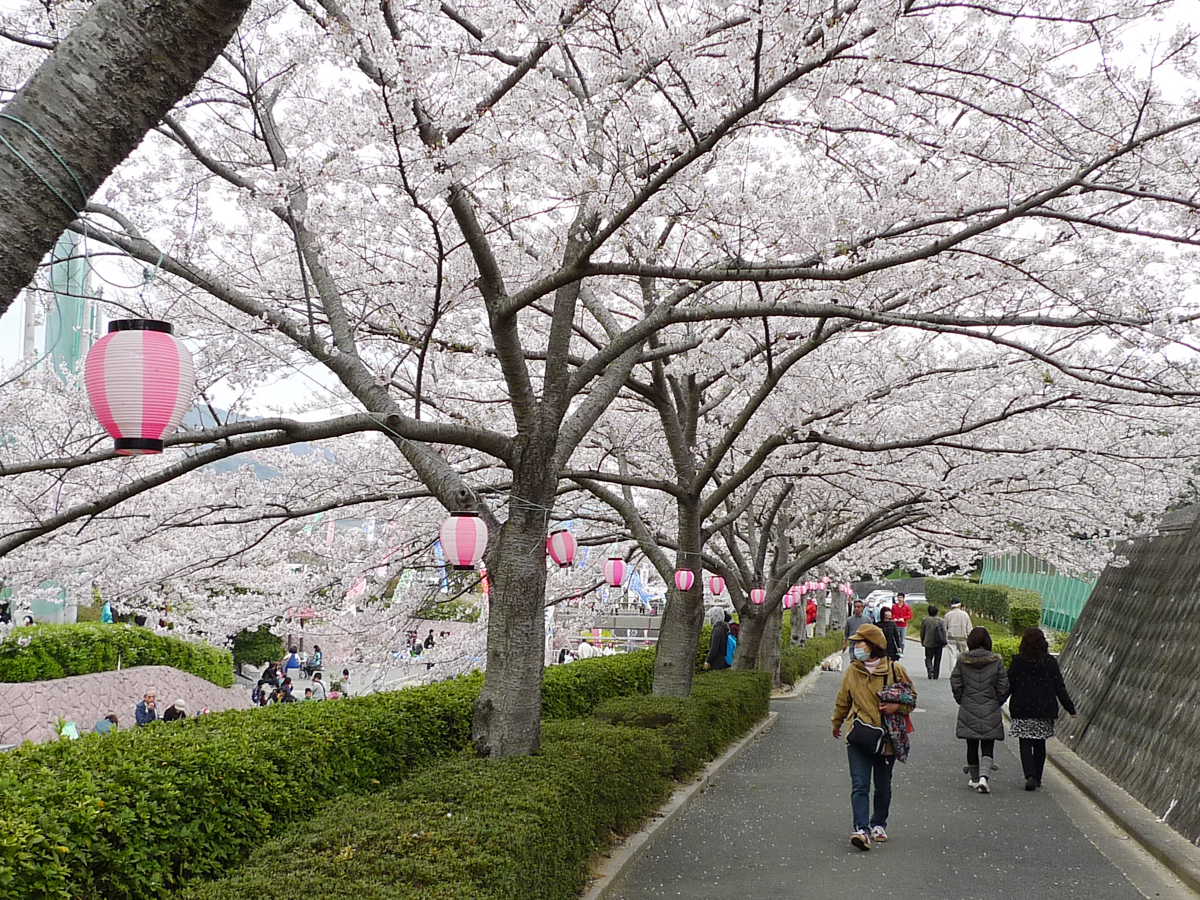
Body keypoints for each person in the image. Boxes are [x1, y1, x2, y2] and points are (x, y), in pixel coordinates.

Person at [831, 623, 916, 851]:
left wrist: (896, 707)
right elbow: (843, 700)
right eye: (856, 642)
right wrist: (836, 722)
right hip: (858, 735)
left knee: (883, 785)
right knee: (859, 784)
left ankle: (879, 823)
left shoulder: (894, 670)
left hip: (886, 738)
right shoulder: (852, 670)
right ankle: (861, 829)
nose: (856, 646)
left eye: (860, 642)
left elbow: (911, 698)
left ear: (873, 646)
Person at [1008, 627, 1077, 791]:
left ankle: (1030, 776)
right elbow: (1059, 687)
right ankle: (1037, 777)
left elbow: (1009, 685)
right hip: (1044, 708)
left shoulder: (1018, 661)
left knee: (1025, 742)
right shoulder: (1050, 662)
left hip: (1022, 708)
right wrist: (1070, 708)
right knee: (1040, 743)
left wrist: (996, 702)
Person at [950, 627, 1009, 793]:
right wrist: (997, 700)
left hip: (969, 705)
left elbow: (955, 682)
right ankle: (984, 777)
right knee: (988, 744)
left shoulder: (962, 661)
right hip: (990, 705)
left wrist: (961, 698)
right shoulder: (996, 661)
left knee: (971, 743)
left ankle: (975, 778)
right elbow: (1004, 684)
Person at [919, 604, 948, 679]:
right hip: (938, 642)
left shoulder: (925, 620)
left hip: (928, 641)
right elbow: (944, 631)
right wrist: (944, 641)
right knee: (937, 659)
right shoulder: (941, 620)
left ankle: (930, 668)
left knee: (928, 657)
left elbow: (922, 631)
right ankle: (936, 674)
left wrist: (922, 640)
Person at [703, 605, 730, 670]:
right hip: (725, 660)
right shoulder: (725, 627)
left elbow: (714, 647)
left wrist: (707, 660)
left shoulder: (717, 630)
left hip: (718, 662)